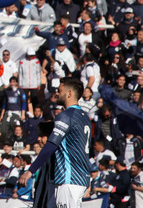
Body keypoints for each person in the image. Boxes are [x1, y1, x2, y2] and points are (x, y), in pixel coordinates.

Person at [20, 78, 91, 208]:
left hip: (69, 178)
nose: (57, 94)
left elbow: (51, 145)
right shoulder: (85, 117)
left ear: (69, 93)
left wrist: (30, 171)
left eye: (60, 90)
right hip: (80, 178)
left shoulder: (66, 116)